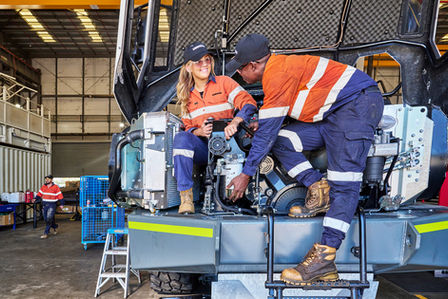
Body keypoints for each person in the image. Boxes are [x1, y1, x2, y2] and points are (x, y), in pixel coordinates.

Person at [226, 34, 383, 283]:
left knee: (344, 182)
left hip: (357, 106)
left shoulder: (276, 75)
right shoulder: (278, 70)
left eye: (240, 69)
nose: (239, 75)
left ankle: (324, 260)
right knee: (283, 139)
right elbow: (272, 131)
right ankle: (318, 188)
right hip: (332, 114)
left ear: (253, 65)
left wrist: (246, 174)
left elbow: (265, 133)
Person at [174, 41, 257, 214]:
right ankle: (186, 198)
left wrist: (235, 122)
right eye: (198, 61)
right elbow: (188, 127)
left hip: (231, 145)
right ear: (188, 67)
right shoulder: (186, 97)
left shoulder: (224, 82)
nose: (204, 64)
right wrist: (199, 132)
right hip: (205, 148)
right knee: (181, 139)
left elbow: (248, 103)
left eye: (207, 60)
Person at [34, 174, 64, 239]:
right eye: (46, 179)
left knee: (49, 218)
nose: (46, 180)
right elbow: (39, 194)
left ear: (51, 180)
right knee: (46, 219)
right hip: (44, 204)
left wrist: (62, 204)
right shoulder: (43, 187)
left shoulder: (56, 187)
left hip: (52, 205)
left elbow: (60, 195)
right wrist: (35, 199)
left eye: (48, 179)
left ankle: (46, 233)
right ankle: (55, 226)